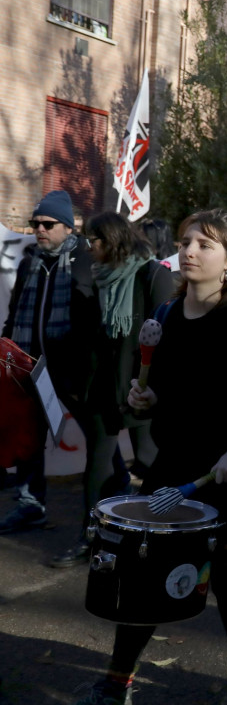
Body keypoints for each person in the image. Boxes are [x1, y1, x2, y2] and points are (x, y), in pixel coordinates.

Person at [71, 209, 227, 705]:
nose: (190, 250)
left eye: (205, 244)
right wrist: (146, 401)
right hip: (175, 468)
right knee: (143, 572)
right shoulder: (168, 317)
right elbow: (163, 394)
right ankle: (116, 683)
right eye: (186, 241)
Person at [49, 213, 173, 568]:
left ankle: (162, 536)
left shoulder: (153, 275)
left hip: (141, 390)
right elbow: (90, 337)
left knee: (151, 461)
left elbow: (165, 338)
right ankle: (91, 538)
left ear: (114, 239)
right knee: (98, 465)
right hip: (104, 388)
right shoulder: (97, 278)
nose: (90, 247)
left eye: (96, 240)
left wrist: (149, 388)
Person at [1, 190, 101, 535]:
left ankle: (109, 503)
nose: (39, 229)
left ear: (67, 227)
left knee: (100, 437)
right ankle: (31, 505)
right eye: (35, 224)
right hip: (31, 367)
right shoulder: (30, 261)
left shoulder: (87, 261)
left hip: (72, 370)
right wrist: (8, 347)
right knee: (30, 438)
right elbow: (14, 314)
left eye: (47, 223)